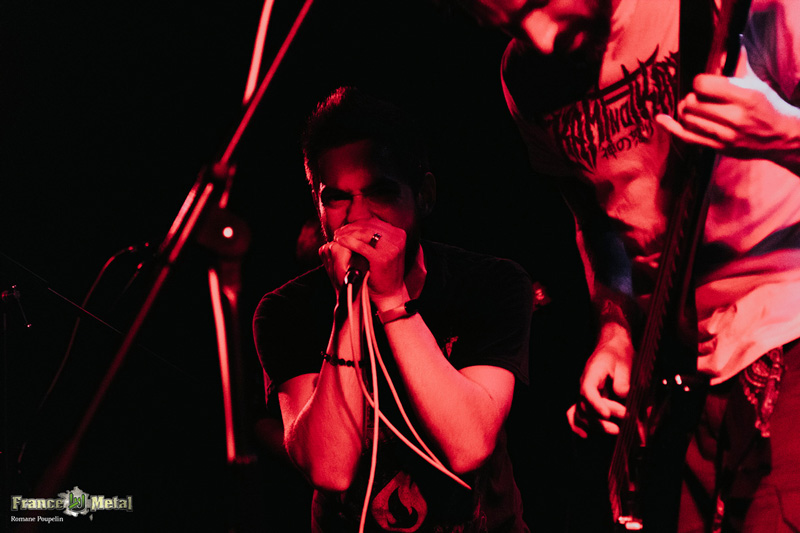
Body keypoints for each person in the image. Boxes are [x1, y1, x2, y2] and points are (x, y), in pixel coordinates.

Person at [446, 0, 800, 530]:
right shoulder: (525, 79)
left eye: (540, 5)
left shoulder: (727, 10)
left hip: (787, 331)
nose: (541, 38)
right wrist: (615, 332)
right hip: (683, 381)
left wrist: (784, 133)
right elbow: (597, 220)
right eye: (509, 26)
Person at [252, 87, 534, 532]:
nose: (358, 217)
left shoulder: (491, 284)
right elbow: (329, 470)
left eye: (380, 192)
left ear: (423, 195)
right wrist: (349, 307)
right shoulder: (287, 310)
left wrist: (390, 300)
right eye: (337, 198)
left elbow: (469, 444)